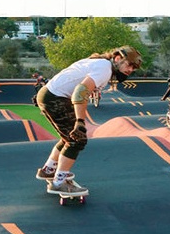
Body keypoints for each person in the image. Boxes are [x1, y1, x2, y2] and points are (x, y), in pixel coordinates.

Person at [34, 45, 142, 196]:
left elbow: (69, 76)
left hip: (50, 94)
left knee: (68, 137)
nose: (130, 70)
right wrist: (80, 121)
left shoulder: (99, 63)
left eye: (133, 68)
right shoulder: (104, 68)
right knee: (77, 140)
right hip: (55, 97)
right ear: (117, 58)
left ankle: (49, 170)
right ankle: (59, 183)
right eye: (129, 65)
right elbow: (80, 92)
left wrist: (44, 94)